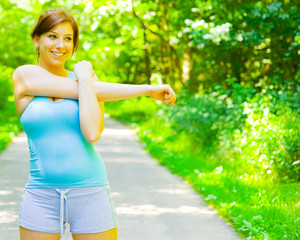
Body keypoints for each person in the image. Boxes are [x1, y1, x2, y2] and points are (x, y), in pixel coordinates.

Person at [12, 8, 176, 240]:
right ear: (36, 39)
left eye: (68, 38)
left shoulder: (88, 83)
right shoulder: (25, 76)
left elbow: (91, 132)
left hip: (91, 192)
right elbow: (78, 89)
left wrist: (87, 78)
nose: (61, 45)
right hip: (40, 195)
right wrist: (147, 90)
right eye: (52, 36)